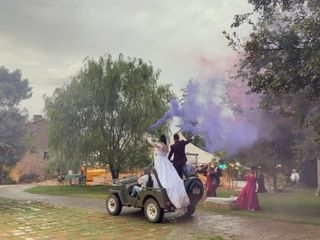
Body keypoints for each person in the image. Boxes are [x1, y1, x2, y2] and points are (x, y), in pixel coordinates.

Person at [147, 134, 190, 209]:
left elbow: (152, 143)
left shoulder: (159, 145)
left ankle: (159, 192)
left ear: (160, 139)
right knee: (171, 177)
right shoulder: (166, 147)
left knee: (161, 177)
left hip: (160, 162)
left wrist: (148, 139)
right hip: (166, 162)